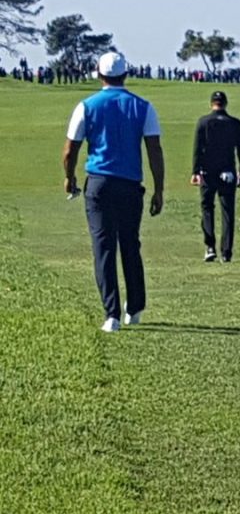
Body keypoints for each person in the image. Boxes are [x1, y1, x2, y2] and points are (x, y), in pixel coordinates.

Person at [61, 52, 164, 332]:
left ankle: (112, 314)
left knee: (103, 247)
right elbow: (154, 150)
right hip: (130, 184)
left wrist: (69, 178)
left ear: (99, 74)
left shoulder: (86, 106)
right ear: (125, 74)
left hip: (99, 183)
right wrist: (159, 189)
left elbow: (71, 150)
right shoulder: (144, 107)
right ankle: (135, 308)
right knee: (130, 243)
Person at [191, 90, 240, 262]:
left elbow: (197, 149)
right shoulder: (234, 123)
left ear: (211, 104)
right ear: (225, 103)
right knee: (227, 212)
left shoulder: (203, 122)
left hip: (208, 172)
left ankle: (209, 247)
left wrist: (195, 171)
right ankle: (226, 251)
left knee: (207, 209)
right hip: (228, 172)